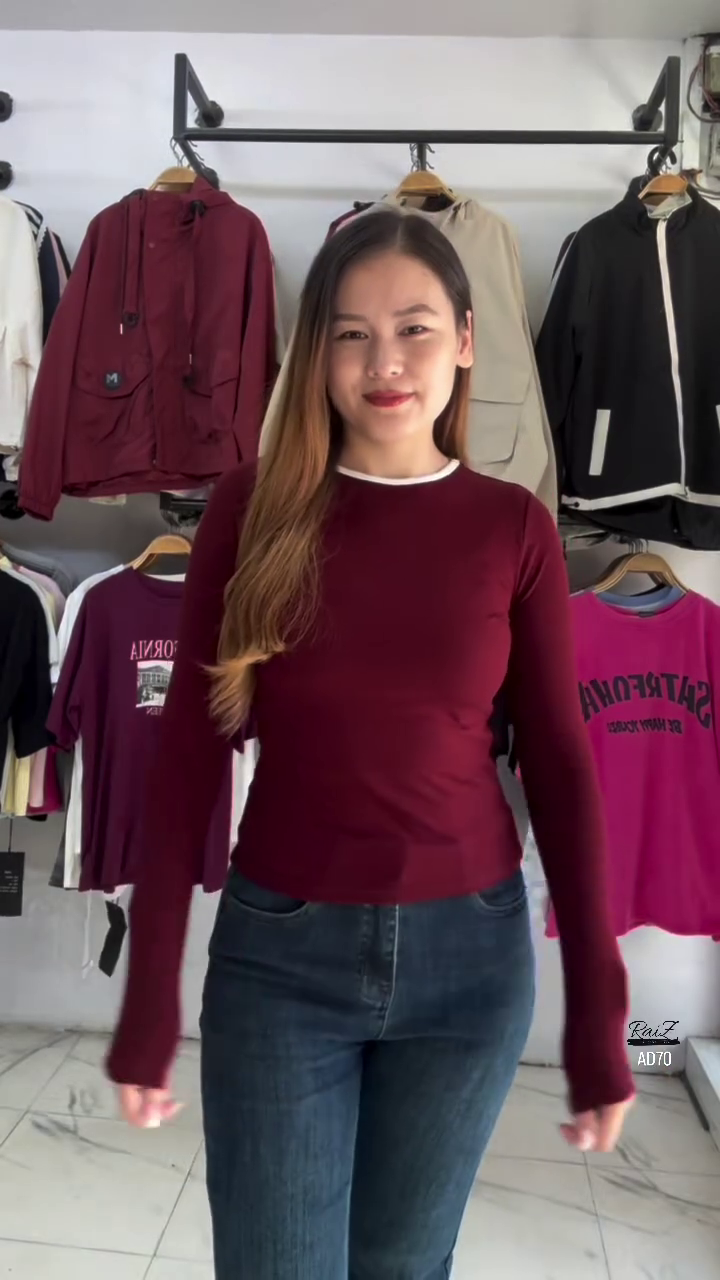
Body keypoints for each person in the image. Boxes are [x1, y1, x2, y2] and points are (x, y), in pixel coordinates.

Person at [106, 208, 635, 1279]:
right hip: (281, 960)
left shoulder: (513, 526)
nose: (384, 362)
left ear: (468, 340)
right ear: (316, 352)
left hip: (471, 963)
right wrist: (150, 994)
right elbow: (189, 763)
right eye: (350, 333)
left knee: (404, 1265)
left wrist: (600, 1014)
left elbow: (560, 767)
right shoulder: (253, 510)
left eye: (414, 329)